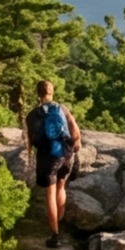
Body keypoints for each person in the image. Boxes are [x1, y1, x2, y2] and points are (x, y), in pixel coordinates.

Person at [23, 78, 83, 235]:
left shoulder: (32, 115)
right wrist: (76, 144)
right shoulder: (61, 108)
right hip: (65, 152)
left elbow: (29, 141)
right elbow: (74, 129)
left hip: (47, 156)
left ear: (38, 94)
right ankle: (60, 221)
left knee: (49, 193)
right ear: (52, 92)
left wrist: (30, 157)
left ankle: (54, 234)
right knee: (61, 187)